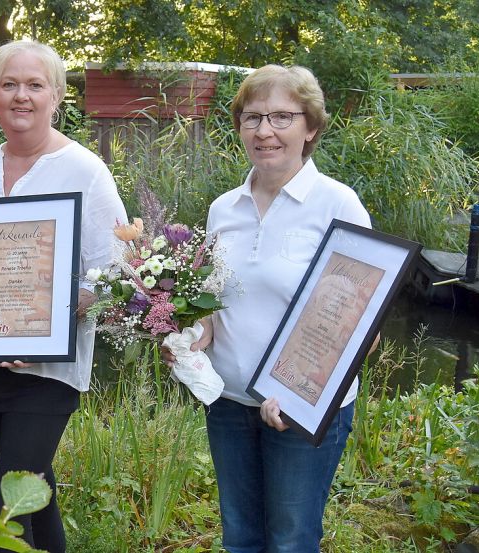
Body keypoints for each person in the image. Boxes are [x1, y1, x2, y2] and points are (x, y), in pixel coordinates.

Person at [0, 40, 127, 552]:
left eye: (35, 85)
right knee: (33, 494)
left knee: (8, 502)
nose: (22, 96)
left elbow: (113, 272)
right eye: (9, 84)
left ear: (57, 95)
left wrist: (46, 327)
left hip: (48, 371)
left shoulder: (85, 171)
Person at [183, 65, 371, 552]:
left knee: (290, 541)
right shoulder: (223, 209)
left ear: (310, 127)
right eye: (253, 117)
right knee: (240, 538)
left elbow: (359, 323)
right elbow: (216, 297)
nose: (265, 131)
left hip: (301, 409)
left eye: (282, 117)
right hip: (228, 401)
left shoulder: (338, 205)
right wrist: (195, 330)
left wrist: (300, 393)